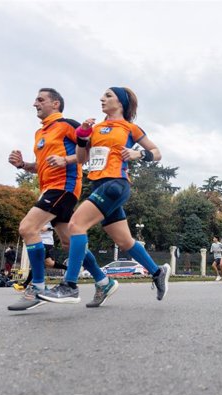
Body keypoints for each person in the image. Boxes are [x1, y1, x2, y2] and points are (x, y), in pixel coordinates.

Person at [37, 86, 169, 304]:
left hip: (116, 185)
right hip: (98, 186)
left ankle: (69, 286)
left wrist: (139, 153)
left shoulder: (130, 128)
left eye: (108, 96)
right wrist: (81, 137)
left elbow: (157, 153)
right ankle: (157, 272)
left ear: (121, 103)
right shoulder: (96, 128)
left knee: (76, 225)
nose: (102, 99)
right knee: (125, 241)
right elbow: (82, 158)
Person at [7, 88, 110, 311]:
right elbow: (43, 166)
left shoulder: (68, 124)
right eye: (35, 99)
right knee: (69, 242)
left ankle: (37, 287)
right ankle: (104, 281)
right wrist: (24, 165)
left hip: (64, 187)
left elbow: (93, 151)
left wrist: (66, 160)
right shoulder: (39, 134)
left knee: (27, 228)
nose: (35, 103)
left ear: (56, 104)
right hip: (50, 189)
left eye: (40, 99)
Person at [13, 223, 68, 292]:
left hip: (46, 242)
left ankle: (26, 284)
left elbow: (53, 226)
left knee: (37, 263)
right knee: (49, 263)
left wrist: (46, 228)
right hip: (39, 241)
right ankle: (68, 269)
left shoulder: (50, 216)